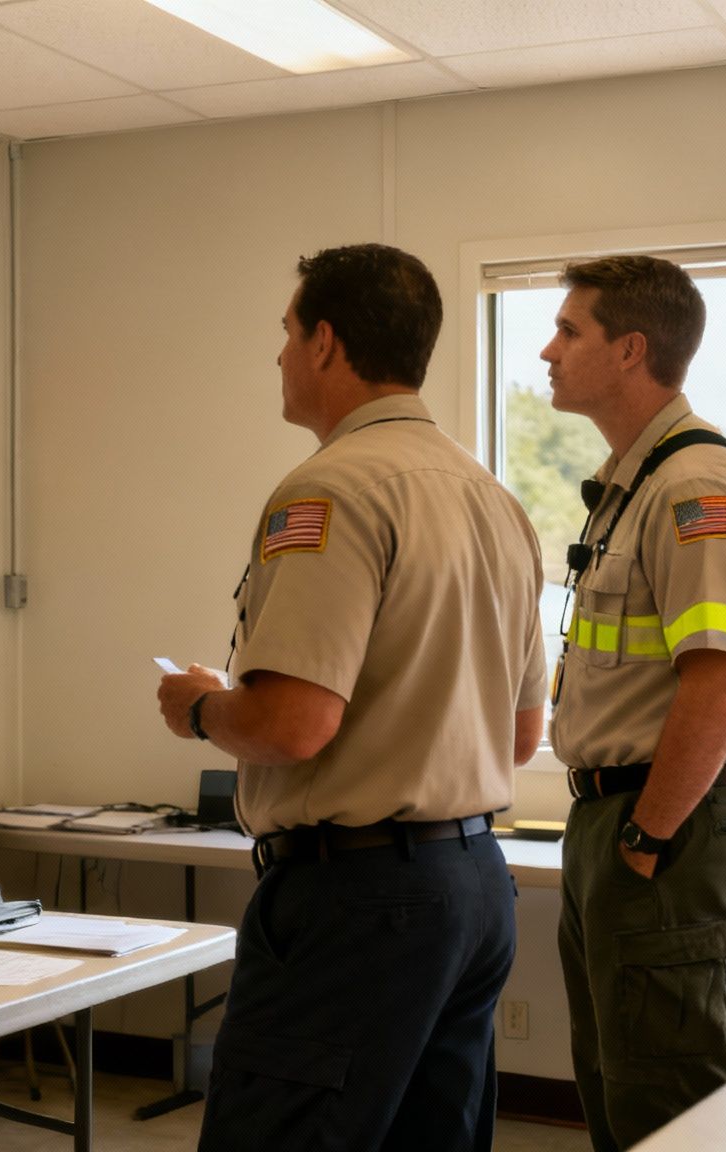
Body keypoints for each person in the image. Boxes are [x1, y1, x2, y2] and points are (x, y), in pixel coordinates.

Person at [157, 243, 546, 1152]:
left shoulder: (329, 491)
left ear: (326, 342)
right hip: (475, 889)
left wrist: (201, 708)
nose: (280, 355)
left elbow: (294, 725)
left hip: (360, 898)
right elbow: (523, 735)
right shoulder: (494, 498)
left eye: (287, 333)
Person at [542, 255, 726, 1151]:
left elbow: (722, 682)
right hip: (624, 816)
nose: (548, 351)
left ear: (631, 349)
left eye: (571, 331)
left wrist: (644, 840)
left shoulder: (693, 488)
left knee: (672, 1109)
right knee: (619, 1089)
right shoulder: (638, 482)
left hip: (665, 821)